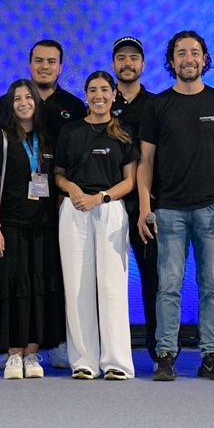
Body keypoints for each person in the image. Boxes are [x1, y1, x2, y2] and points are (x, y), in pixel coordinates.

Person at [137, 30, 214, 382]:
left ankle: (210, 357)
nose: (189, 58)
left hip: (212, 211)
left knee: (211, 286)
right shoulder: (158, 105)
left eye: (195, 52)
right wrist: (144, 208)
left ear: (204, 58)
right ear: (172, 61)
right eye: (181, 52)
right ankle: (166, 355)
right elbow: (145, 162)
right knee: (168, 286)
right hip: (168, 210)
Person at [54, 70, 139, 380]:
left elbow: (130, 181)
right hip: (74, 210)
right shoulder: (71, 131)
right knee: (77, 286)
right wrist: (72, 189)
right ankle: (84, 362)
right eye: (92, 90)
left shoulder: (125, 132)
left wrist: (100, 198)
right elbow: (58, 175)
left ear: (114, 94)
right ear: (86, 95)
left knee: (111, 286)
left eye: (104, 90)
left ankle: (117, 362)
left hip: (110, 209)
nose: (98, 95)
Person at [0, 78, 65, 378]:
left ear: (36, 102)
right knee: (12, 291)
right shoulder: (1, 139)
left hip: (44, 229)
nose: (23, 103)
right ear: (10, 104)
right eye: (17, 98)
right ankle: (13, 354)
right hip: (10, 227)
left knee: (38, 291)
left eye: (28, 97)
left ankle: (32, 354)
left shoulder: (48, 138)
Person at [110, 36, 159, 353]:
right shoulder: (101, 100)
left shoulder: (157, 104)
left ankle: (159, 346)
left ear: (143, 64)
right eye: (121, 58)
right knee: (107, 280)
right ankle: (111, 348)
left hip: (147, 203)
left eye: (133, 58)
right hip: (108, 203)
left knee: (154, 278)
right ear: (113, 64)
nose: (127, 63)